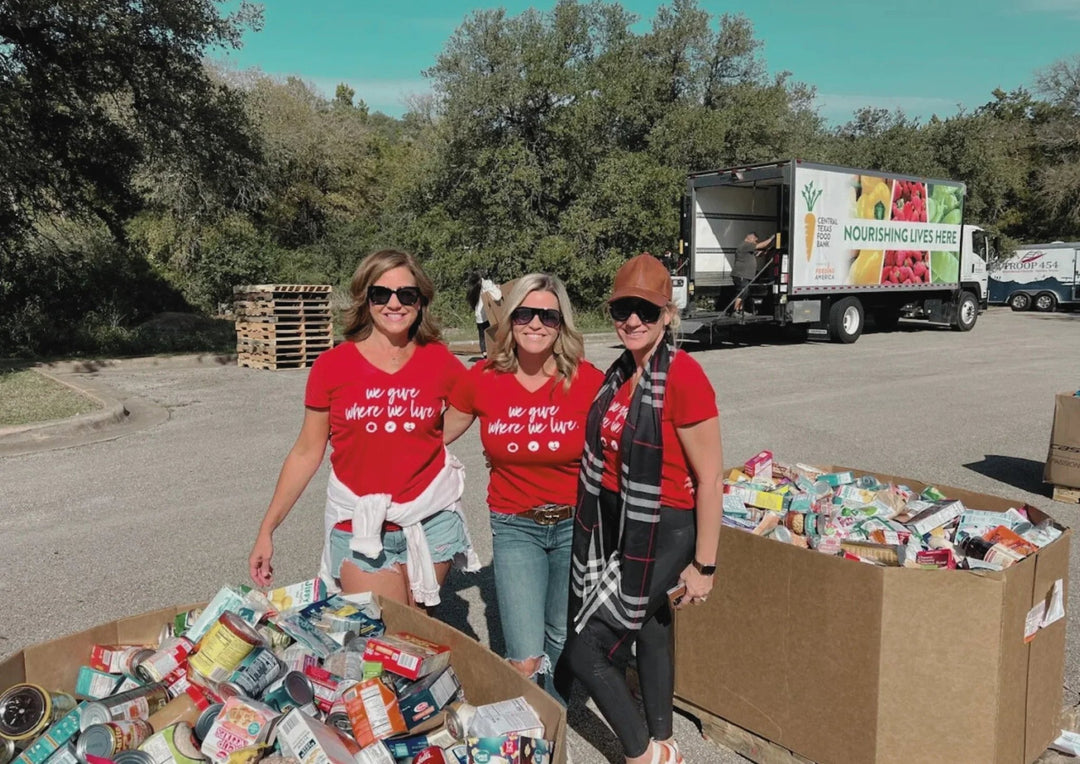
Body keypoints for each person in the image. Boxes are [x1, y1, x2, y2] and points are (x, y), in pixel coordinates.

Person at [249, 249, 480, 606]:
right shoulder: (332, 366)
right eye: (381, 294)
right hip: (358, 523)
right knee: (384, 634)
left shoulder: (438, 359)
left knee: (419, 634)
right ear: (364, 298)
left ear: (420, 301)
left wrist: (426, 440)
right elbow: (307, 451)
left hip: (431, 519)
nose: (394, 304)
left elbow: (467, 406)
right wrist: (268, 528)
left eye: (407, 294)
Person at [563, 254, 723, 764]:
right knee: (651, 626)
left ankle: (642, 755)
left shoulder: (685, 376)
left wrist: (704, 565)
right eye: (622, 309)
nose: (632, 320)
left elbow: (711, 478)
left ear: (668, 315)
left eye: (646, 311)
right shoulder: (619, 373)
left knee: (587, 650)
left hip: (664, 529)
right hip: (621, 523)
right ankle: (663, 734)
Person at [444, 274, 604, 702]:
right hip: (516, 526)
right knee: (524, 655)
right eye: (525, 313)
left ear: (561, 324)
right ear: (509, 319)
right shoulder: (482, 378)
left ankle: (550, 719)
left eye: (548, 315)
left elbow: (626, 445)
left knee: (559, 635)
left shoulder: (588, 381)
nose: (536, 323)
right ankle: (532, 718)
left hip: (576, 527)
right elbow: (430, 437)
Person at [731, 231, 775, 314]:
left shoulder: (747, 249)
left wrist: (767, 250)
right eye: (755, 240)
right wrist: (771, 239)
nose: (755, 243)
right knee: (742, 292)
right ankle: (736, 311)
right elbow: (760, 245)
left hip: (744, 275)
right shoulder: (745, 245)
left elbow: (759, 254)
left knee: (745, 292)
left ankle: (740, 310)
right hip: (741, 274)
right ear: (750, 238)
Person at [466, 271, 503, 358]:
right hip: (489, 315)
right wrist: (497, 287)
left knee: (482, 335)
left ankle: (485, 353)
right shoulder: (487, 284)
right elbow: (498, 295)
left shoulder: (473, 288)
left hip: (479, 317)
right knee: (492, 335)